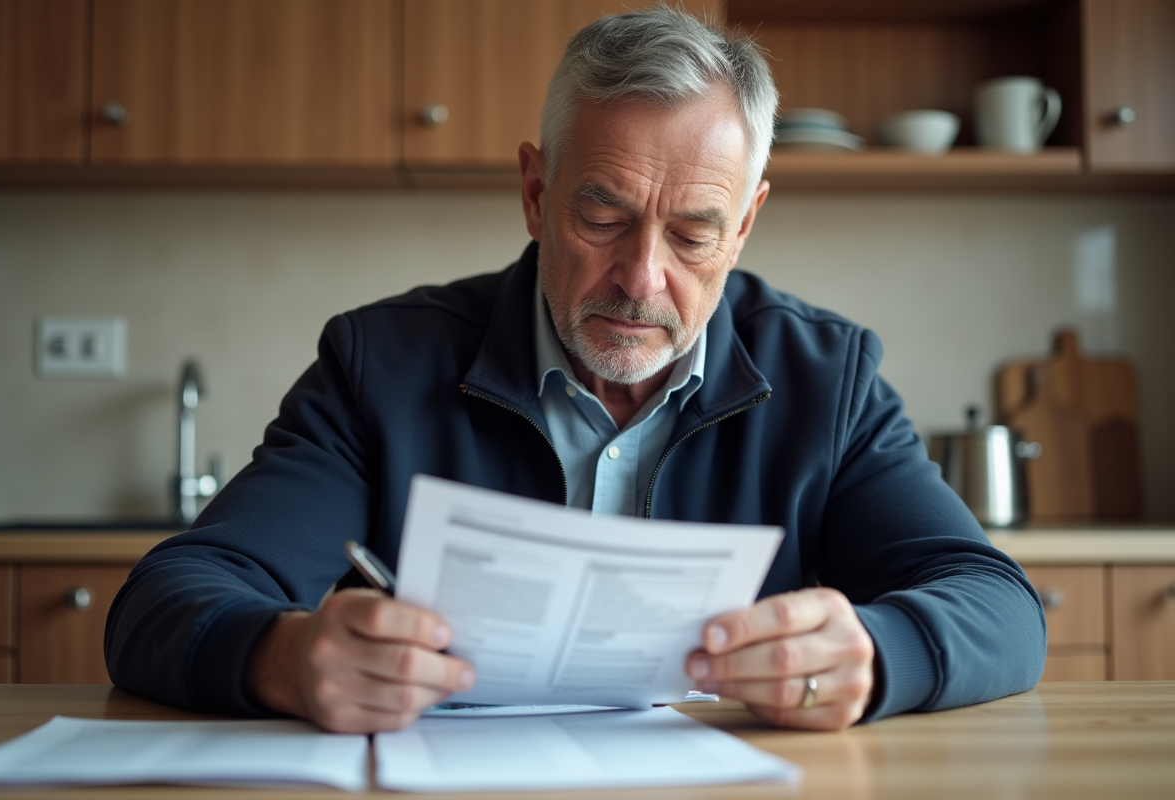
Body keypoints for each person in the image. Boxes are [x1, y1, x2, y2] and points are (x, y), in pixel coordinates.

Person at [105, 7, 1045, 734]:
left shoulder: (827, 378)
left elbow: (997, 604)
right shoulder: (378, 364)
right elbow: (168, 597)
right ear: (534, 191)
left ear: (746, 225)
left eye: (693, 233)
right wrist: (283, 656)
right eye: (602, 216)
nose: (642, 278)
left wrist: (876, 657)